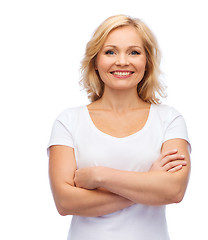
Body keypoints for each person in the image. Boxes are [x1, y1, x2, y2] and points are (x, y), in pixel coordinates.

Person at [48, 14, 191, 240]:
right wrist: (148, 185)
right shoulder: (69, 121)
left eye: (134, 52)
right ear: (95, 61)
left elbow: (173, 191)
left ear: (147, 62)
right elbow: (65, 202)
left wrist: (99, 176)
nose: (122, 61)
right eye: (110, 51)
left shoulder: (169, 120)